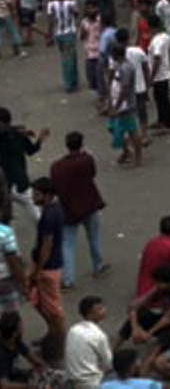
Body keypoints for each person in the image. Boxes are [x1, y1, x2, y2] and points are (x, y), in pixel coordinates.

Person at [27, 178, 66, 361]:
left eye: (37, 194)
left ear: (47, 195)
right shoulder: (52, 210)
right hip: (48, 265)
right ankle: (51, 335)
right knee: (40, 302)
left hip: (48, 268)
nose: (33, 197)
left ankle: (58, 346)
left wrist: (37, 270)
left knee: (53, 310)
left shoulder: (49, 216)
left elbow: (47, 245)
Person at [0, 111, 47, 225]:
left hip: (18, 182)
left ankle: (47, 235)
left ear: (5, 123)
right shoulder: (18, 133)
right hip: (4, 183)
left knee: (36, 215)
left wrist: (40, 140)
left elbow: (30, 150)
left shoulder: (18, 135)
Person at [64, 296, 111, 389]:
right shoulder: (99, 335)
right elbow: (108, 364)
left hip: (71, 379)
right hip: (91, 383)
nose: (104, 310)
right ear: (89, 315)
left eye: (103, 307)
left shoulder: (73, 329)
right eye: (99, 309)